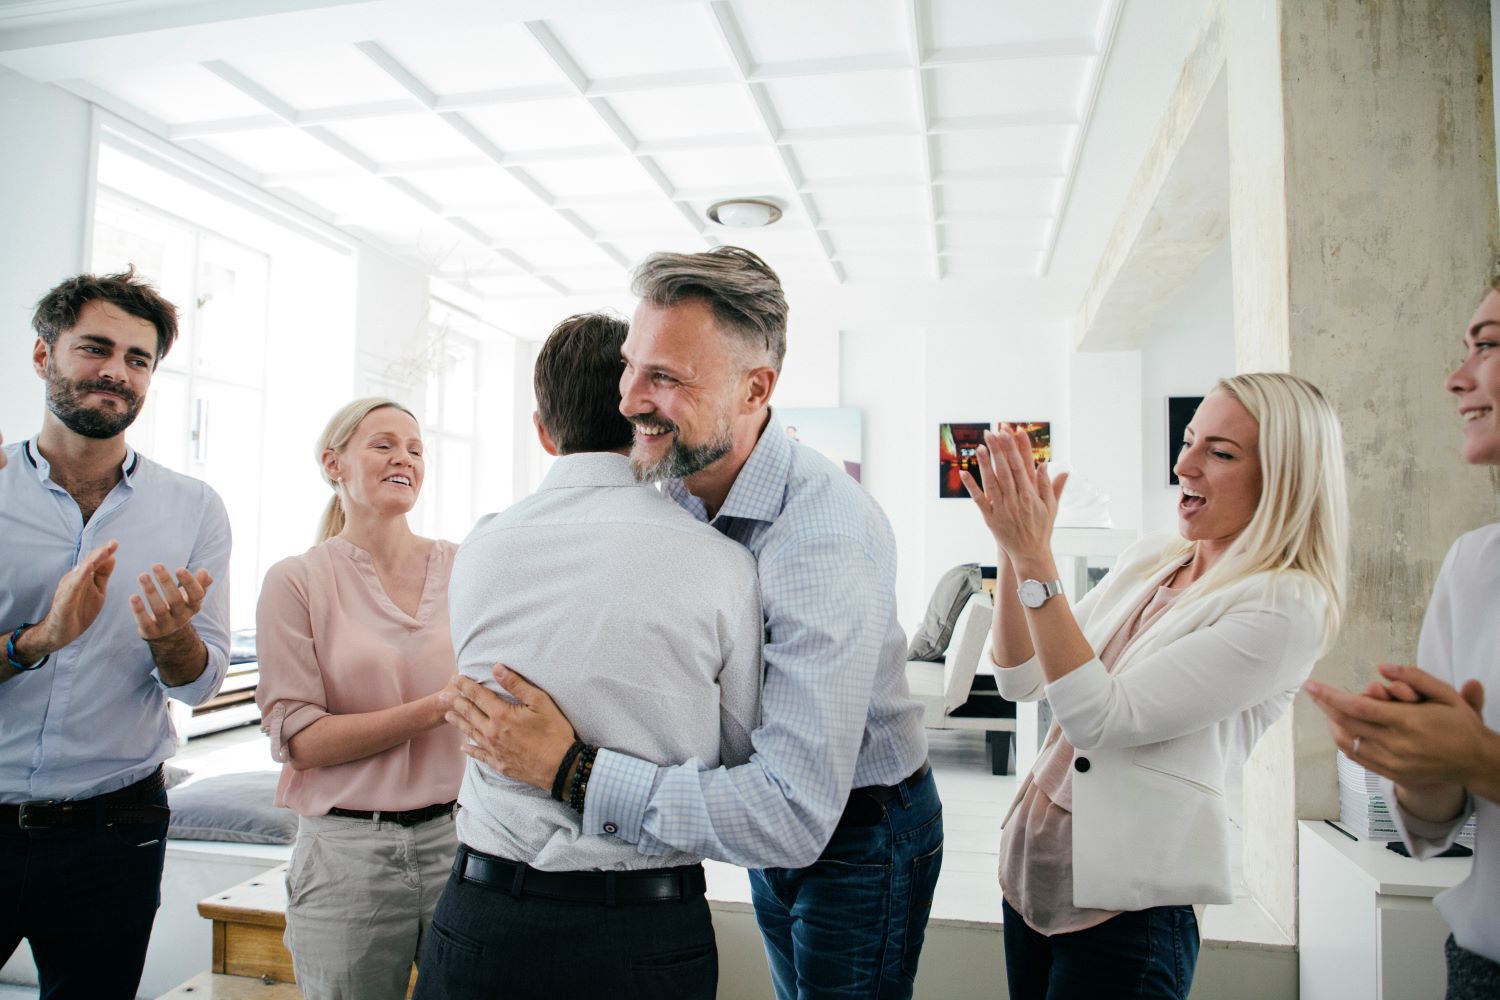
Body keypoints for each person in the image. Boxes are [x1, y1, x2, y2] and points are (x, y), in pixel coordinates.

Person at [441, 248, 941, 999]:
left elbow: (792, 813)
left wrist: (570, 770)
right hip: (770, 815)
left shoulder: (823, 538)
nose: (629, 399)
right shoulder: (671, 486)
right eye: (632, 367)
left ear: (756, 389)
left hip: (861, 832)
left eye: (665, 378)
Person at [965, 373, 1348, 999]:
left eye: (1219, 453)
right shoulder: (1155, 557)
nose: (1184, 464)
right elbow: (1019, 676)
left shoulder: (1285, 606)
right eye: (1190, 440)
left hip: (1128, 918)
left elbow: (1101, 719)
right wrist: (1011, 549)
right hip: (1033, 884)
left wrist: (1036, 556)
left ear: (1284, 479)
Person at [414, 312, 761, 1000]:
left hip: (485, 913)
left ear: (544, 429)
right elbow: (739, 760)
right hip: (644, 929)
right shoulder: (722, 564)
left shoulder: (479, 548)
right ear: (646, 416)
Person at [0, 269, 231, 999]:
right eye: (95, 349)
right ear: (44, 356)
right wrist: (37, 640)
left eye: (138, 359)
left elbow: (199, 682)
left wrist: (172, 641)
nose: (116, 372)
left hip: (119, 820)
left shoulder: (193, 508)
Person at [1306, 278, 1500, 999]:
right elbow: (1436, 826)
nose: (1457, 378)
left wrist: (1482, 758)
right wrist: (1422, 771)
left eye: (1486, 346)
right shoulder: (1474, 565)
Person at [255, 398, 464, 1000]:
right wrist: (437, 707)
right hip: (347, 858)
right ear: (333, 464)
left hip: (460, 842)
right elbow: (303, 742)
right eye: (383, 444)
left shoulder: (465, 566)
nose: (405, 457)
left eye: (416, 449)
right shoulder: (295, 580)